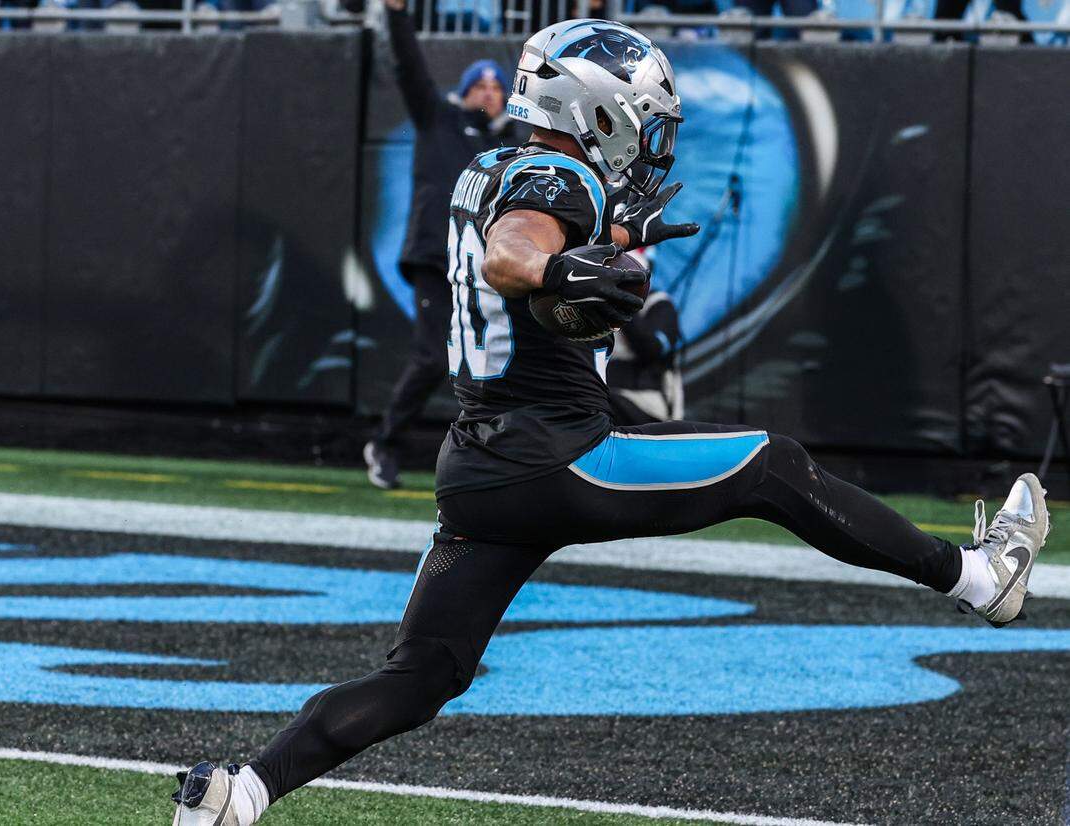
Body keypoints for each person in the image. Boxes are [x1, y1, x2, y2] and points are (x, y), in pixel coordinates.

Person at [171, 19, 1050, 825]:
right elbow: (514, 249)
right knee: (772, 466)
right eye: (644, 115)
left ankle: (238, 795)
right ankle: (979, 576)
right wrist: (559, 275)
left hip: (478, 467)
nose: (652, 134)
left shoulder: (494, 163)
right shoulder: (558, 177)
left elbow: (523, 229)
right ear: (598, 111)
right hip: (558, 458)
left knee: (423, 675)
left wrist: (619, 242)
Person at [363, 0, 527, 490]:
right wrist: (395, 14)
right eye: (480, 84)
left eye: (497, 87)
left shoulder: (514, 146)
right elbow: (410, 67)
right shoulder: (439, 120)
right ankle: (385, 442)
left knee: (496, 365)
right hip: (438, 259)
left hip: (487, 271)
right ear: (463, 91)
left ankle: (499, 459)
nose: (488, 93)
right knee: (434, 357)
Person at [605, 250, 684, 425]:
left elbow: (652, 349)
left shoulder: (660, 304)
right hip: (606, 396)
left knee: (598, 406)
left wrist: (623, 302)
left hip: (649, 405)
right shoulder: (599, 306)